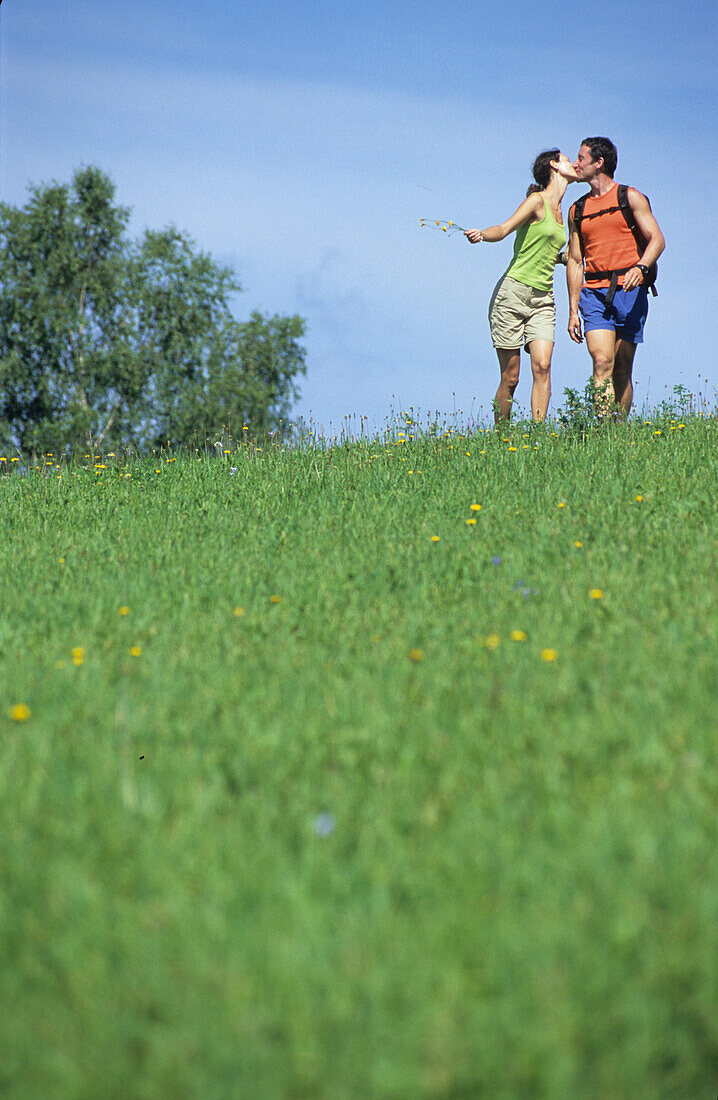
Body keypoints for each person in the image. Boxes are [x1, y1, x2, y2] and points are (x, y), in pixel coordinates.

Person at [465, 150, 578, 422]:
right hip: (512, 294)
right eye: (567, 159)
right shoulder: (536, 202)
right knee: (511, 377)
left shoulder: (567, 214)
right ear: (554, 166)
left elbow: (555, 252)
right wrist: (482, 234)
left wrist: (565, 258)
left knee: (543, 365)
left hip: (543, 299)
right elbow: (504, 229)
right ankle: (501, 440)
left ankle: (537, 437)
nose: (574, 163)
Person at [566, 137, 665, 416]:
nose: (576, 164)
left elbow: (657, 239)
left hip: (630, 291)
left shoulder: (630, 196)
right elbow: (574, 261)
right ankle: (602, 431)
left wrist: (641, 267)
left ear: (599, 163)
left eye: (581, 158)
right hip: (594, 292)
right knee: (601, 362)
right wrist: (573, 310)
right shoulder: (577, 209)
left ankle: (617, 433)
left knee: (621, 367)